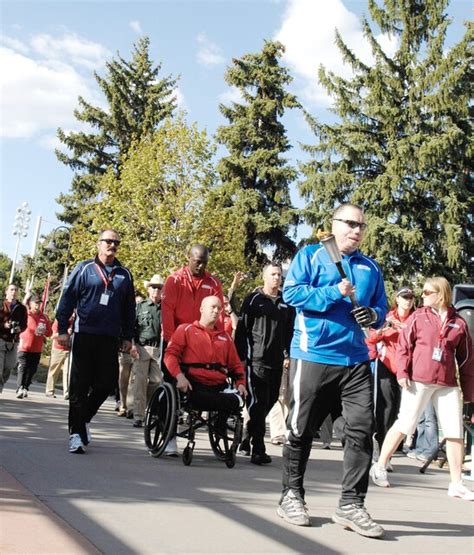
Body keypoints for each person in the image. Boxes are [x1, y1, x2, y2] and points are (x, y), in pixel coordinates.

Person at [278, 203, 387, 539]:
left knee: (361, 427)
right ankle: (291, 495)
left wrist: (373, 315)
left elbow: (381, 307)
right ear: (334, 223)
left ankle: (351, 503)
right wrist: (332, 293)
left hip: (355, 359)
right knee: (301, 428)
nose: (356, 231)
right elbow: (292, 293)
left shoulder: (370, 267)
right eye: (350, 224)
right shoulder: (310, 255)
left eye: (361, 226)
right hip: (313, 354)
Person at [370, 277, 474, 501]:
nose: (423, 295)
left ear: (441, 294)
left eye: (428, 292)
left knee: (455, 431)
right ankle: (379, 465)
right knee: (405, 423)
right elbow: (404, 347)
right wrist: (403, 373)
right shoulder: (418, 317)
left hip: (447, 384)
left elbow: (466, 361)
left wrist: (469, 393)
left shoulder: (459, 323)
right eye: (423, 292)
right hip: (419, 380)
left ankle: (456, 483)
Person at [56, 229, 135, 454]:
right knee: (79, 387)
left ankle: (83, 420)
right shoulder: (84, 269)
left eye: (116, 242)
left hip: (110, 337)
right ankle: (76, 433)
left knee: (106, 385)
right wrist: (63, 329)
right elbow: (67, 298)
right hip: (84, 334)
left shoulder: (124, 274)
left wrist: (128, 336)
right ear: (99, 243)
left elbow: (129, 308)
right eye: (108, 241)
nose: (112, 245)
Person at [235, 262, 295, 465]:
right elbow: (242, 330)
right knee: (258, 404)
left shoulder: (286, 302)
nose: (277, 278)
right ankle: (258, 450)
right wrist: (240, 357)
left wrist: (288, 354)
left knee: (269, 402)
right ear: (264, 277)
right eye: (273, 274)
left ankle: (247, 434)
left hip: (277, 362)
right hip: (256, 361)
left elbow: (290, 331)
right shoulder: (253, 300)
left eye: (279, 274)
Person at [164, 296, 247, 432]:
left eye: (219, 308)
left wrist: (241, 383)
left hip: (218, 386)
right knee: (191, 396)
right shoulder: (186, 330)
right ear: (201, 309)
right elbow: (170, 355)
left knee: (235, 399)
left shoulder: (225, 337)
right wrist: (179, 377)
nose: (216, 311)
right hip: (193, 384)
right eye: (213, 307)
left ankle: (220, 426)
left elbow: (235, 365)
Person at [366, 287, 416, 453]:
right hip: (386, 366)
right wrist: (384, 328)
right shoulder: (388, 317)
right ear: (397, 299)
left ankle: (396, 447)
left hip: (408, 369)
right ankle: (380, 446)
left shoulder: (416, 319)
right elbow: (371, 339)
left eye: (410, 297)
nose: (408, 300)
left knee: (403, 410)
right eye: (404, 297)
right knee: (386, 408)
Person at [161, 244, 224, 343]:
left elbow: (219, 314)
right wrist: (171, 339)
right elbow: (167, 312)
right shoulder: (174, 280)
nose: (201, 266)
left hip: (203, 339)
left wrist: (218, 339)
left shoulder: (213, 283)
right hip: (178, 337)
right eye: (198, 262)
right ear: (189, 257)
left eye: (205, 263)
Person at [130, 274, 164, 428]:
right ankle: (138, 415)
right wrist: (132, 345)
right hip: (142, 347)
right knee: (140, 382)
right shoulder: (141, 306)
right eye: (153, 287)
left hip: (158, 348)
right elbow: (132, 327)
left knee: (157, 381)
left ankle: (150, 409)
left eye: (159, 287)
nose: (156, 290)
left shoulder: (165, 308)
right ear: (149, 289)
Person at [16, 294, 52, 398]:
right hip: (24, 347)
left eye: (39, 303)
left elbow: (50, 333)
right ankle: (19, 388)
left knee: (32, 370)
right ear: (30, 303)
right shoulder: (25, 314)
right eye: (35, 303)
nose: (38, 305)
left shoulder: (43, 317)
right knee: (22, 367)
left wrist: (44, 331)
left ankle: (25, 387)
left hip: (36, 349)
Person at [0, 284, 27, 393]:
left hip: (13, 341)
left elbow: (25, 324)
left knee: (9, 366)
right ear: (6, 291)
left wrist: (19, 328)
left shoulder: (22, 308)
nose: (14, 292)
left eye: (16, 290)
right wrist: (3, 325)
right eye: (11, 290)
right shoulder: (1, 304)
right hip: (1, 339)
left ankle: (1, 383)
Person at [45, 316, 74, 399]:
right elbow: (53, 336)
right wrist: (65, 332)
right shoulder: (59, 320)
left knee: (68, 371)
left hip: (69, 349)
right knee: (54, 370)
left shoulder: (74, 321)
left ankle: (66, 393)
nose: (72, 315)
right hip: (58, 348)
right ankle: (49, 391)